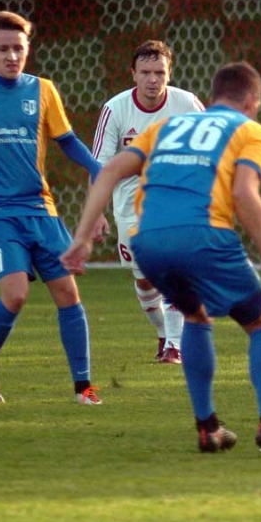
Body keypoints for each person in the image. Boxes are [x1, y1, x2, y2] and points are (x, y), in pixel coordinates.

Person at [63, 61, 261, 456]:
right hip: (203, 234)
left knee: (195, 315)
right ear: (252, 101)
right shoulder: (251, 131)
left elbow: (108, 171)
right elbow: (245, 193)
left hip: (148, 239)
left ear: (213, 97)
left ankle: (207, 427)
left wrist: (82, 238)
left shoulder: (167, 127)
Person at [0, 10, 107, 406]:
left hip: (40, 210)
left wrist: (97, 167)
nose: (12, 56)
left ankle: (84, 387)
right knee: (15, 295)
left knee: (68, 292)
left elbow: (66, 140)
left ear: (28, 49)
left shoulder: (43, 90)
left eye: (19, 49)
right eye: (4, 49)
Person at [92, 40, 205, 364]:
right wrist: (97, 212)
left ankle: (174, 345)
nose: (153, 79)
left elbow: (211, 147)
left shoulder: (187, 104)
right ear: (133, 74)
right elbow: (99, 165)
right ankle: (163, 334)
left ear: (169, 73)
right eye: (146, 72)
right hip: (130, 206)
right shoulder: (116, 109)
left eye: (159, 72)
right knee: (144, 281)